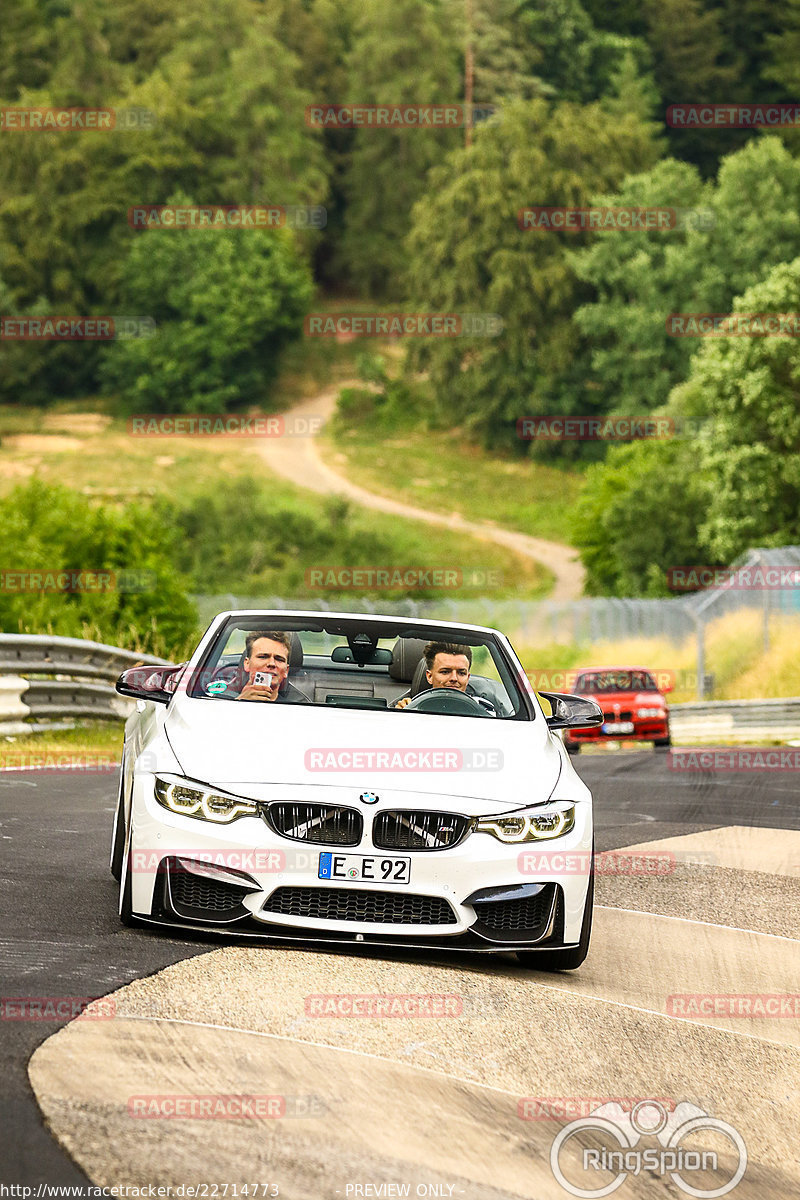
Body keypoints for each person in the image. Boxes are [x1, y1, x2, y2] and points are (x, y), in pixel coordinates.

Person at [229, 631, 310, 703]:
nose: (272, 663)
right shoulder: (221, 699)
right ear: (247, 663)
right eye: (263, 657)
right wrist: (239, 702)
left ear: (286, 670)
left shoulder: (300, 707)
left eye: (279, 659)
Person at [393, 641, 474, 709]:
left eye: (461, 673)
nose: (454, 678)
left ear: (467, 678)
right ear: (429, 676)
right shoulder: (408, 706)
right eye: (445, 672)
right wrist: (400, 714)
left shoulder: (481, 710)